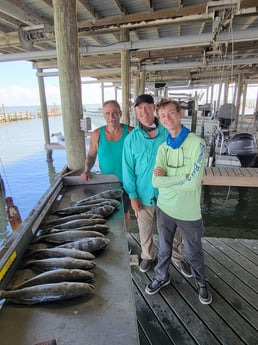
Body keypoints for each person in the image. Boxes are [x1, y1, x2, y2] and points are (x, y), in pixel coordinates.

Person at [145, 98, 212, 305]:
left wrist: (169, 177)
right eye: (162, 115)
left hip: (189, 212)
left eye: (171, 113)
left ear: (180, 113)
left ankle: (202, 283)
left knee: (193, 252)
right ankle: (161, 277)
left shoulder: (197, 144)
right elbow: (156, 181)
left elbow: (193, 185)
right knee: (164, 249)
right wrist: (183, 174)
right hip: (164, 208)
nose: (167, 119)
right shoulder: (163, 148)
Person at [122, 94, 191, 276]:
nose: (143, 111)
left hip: (169, 195)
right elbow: (127, 169)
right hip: (142, 195)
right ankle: (147, 256)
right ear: (136, 112)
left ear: (154, 108)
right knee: (144, 229)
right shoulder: (131, 139)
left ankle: (178, 258)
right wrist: (132, 195)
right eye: (139, 108)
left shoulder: (170, 132)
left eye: (147, 107)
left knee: (173, 231)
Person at [80, 100, 133, 231]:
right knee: (108, 214)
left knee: (124, 213)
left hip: (126, 182)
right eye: (107, 113)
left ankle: (124, 240)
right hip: (106, 183)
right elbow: (91, 156)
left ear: (120, 113)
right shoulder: (97, 134)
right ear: (103, 115)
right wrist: (87, 170)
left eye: (114, 113)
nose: (111, 117)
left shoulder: (131, 132)